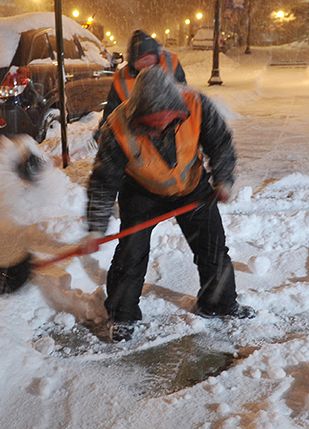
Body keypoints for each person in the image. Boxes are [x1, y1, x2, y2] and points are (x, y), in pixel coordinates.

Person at [85, 66, 254, 343]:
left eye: (168, 120)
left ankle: (218, 304)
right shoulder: (117, 126)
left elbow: (220, 143)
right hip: (141, 191)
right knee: (131, 253)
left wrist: (223, 178)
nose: (162, 127)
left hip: (191, 187)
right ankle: (122, 315)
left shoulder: (196, 105)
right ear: (139, 115)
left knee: (212, 247)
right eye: (153, 123)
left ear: (177, 109)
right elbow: (104, 180)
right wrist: (95, 226)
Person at [94, 30, 187, 142]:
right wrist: (103, 133)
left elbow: (185, 97)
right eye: (142, 60)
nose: (146, 64)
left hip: (174, 132)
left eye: (149, 58)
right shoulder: (122, 79)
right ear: (133, 63)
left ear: (156, 55)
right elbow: (112, 110)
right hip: (141, 138)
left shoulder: (171, 64)